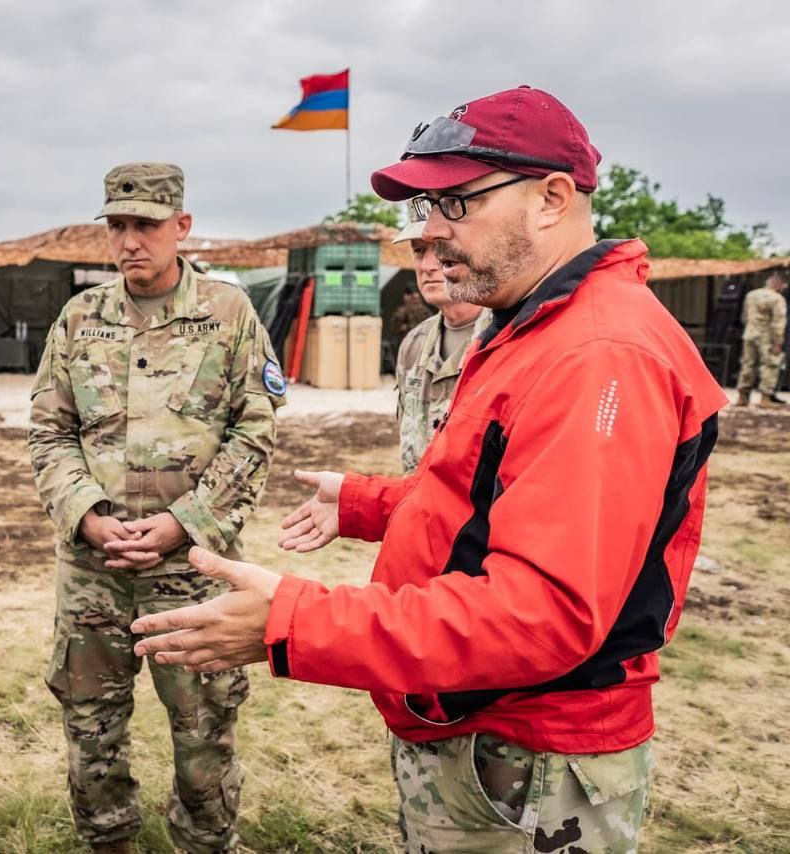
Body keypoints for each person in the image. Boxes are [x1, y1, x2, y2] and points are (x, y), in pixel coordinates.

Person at [130, 87, 729, 853]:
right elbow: (496, 495)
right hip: (484, 729)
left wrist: (293, 622)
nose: (431, 231)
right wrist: (366, 503)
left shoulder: (597, 354)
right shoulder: (541, 326)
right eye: (424, 208)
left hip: (527, 759)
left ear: (552, 198)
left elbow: (540, 612)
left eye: (455, 202)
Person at [27, 162, 285, 853]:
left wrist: (185, 523)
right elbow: (49, 430)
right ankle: (106, 840)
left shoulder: (229, 314)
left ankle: (204, 840)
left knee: (204, 725)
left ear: (182, 227)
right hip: (94, 568)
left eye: (145, 224)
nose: (130, 239)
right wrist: (85, 514)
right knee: (90, 725)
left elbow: (255, 431)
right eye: (118, 225)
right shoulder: (80, 317)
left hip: (193, 570)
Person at [392, 200, 490, 473]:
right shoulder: (415, 343)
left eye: (439, 249)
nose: (427, 265)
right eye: (419, 251)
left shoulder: (506, 337)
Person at [736, 271, 787, 406]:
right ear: (779, 285)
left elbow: (744, 317)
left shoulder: (751, 295)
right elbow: (778, 322)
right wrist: (778, 342)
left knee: (747, 364)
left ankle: (742, 396)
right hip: (767, 337)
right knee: (770, 365)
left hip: (749, 334)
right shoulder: (777, 299)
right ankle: (765, 398)